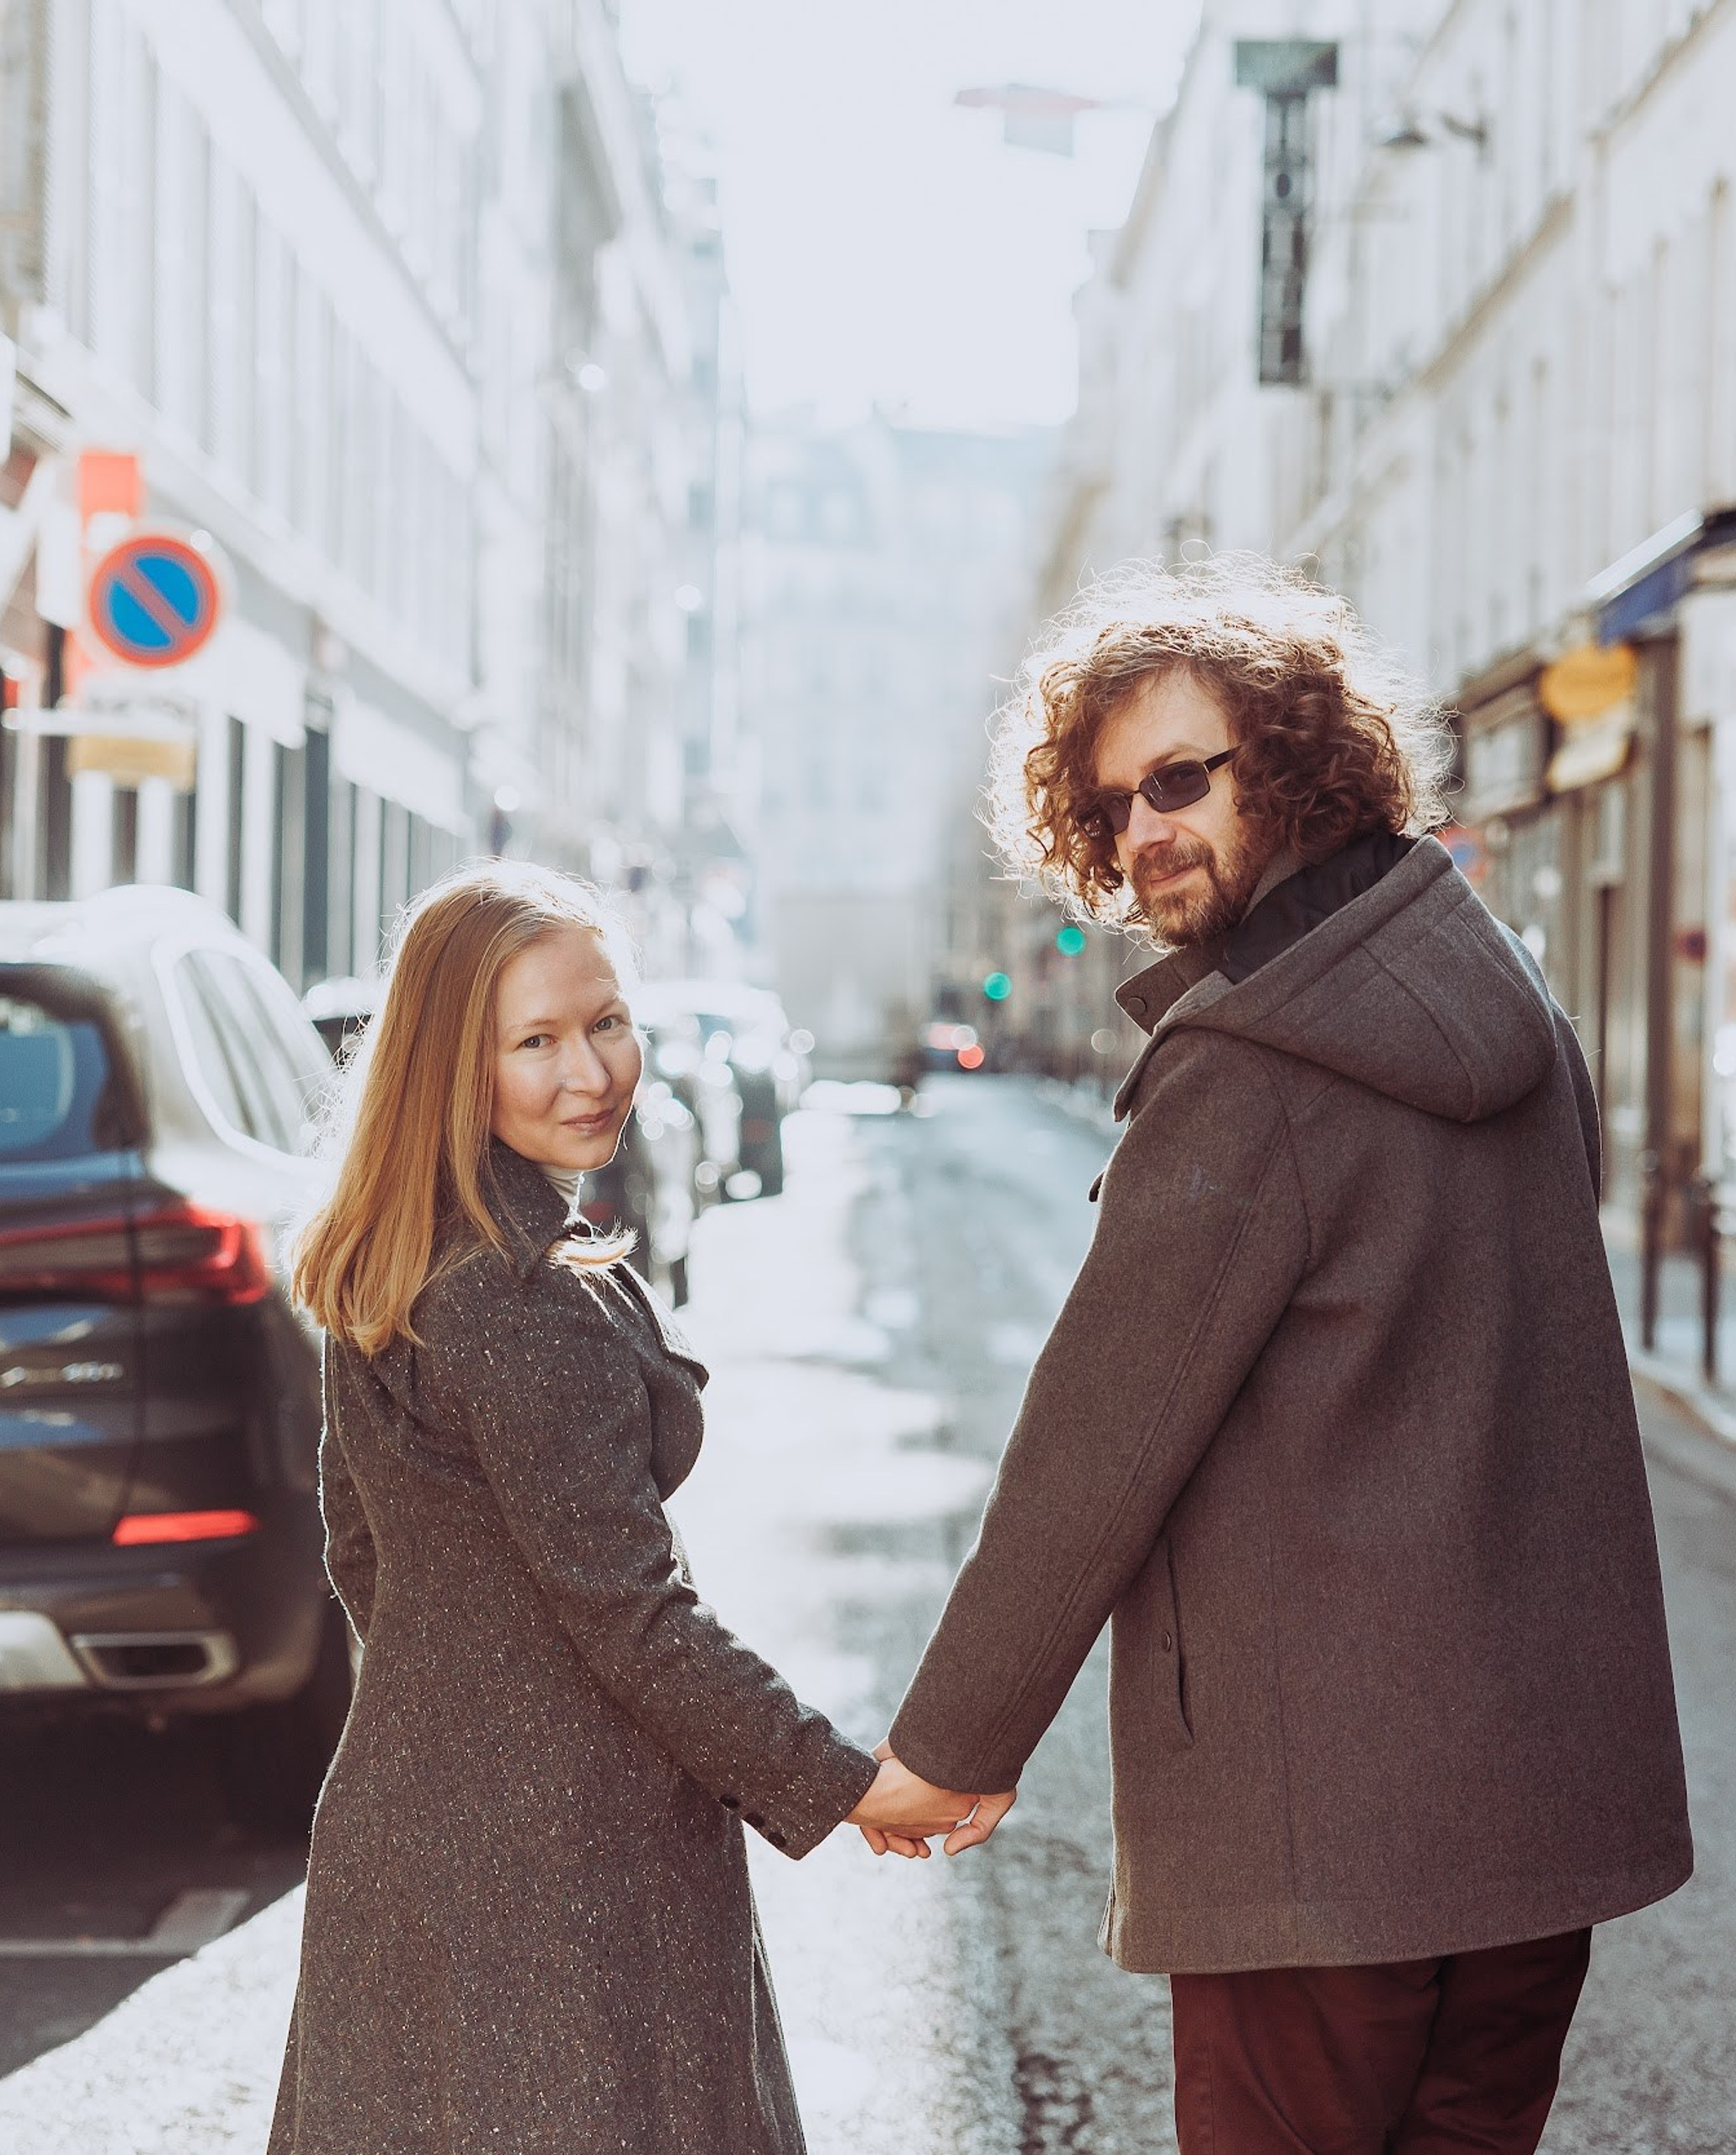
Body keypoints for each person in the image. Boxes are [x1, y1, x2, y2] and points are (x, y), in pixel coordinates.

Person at [870, 557, 1693, 2153]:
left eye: (1181, 779)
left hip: (1320, 1850)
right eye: (1112, 808)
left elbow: (1096, 1448)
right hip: (1537, 1829)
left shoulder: (1250, 1072)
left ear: (1302, 761)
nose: (1143, 834)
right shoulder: (1514, 997)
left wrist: (945, 1753)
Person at [270, 862, 964, 2155]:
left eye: (606, 1021)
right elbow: (637, 1621)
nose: (591, 1073)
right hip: (564, 1884)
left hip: (410, 1838)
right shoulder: (521, 1301)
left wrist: (463, 1700)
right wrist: (852, 1787)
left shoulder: (399, 1254)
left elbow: (362, 1550)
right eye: (534, 1040)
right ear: (446, 1064)